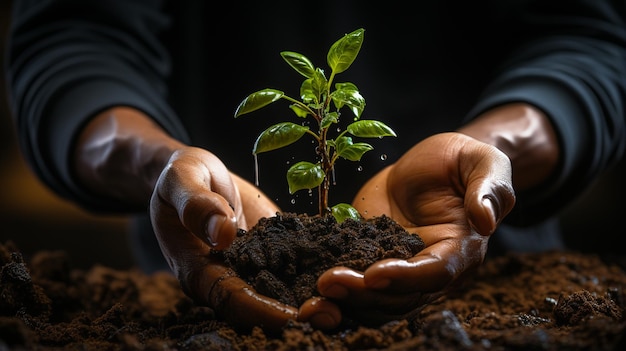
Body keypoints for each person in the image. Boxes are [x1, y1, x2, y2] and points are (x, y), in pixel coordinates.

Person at [5, 0, 626, 332]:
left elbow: (589, 36)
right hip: (196, 296)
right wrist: (160, 164)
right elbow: (74, 36)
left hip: (499, 289)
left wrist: (493, 154)